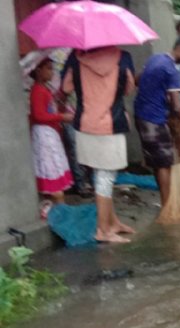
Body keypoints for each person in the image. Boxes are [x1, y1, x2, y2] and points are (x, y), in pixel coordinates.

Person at [62, 46, 137, 243]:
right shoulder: (123, 57)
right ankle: (103, 230)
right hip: (111, 123)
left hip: (85, 124)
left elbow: (66, 88)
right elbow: (129, 88)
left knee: (101, 175)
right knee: (106, 177)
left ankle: (112, 222)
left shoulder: (75, 57)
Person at [134, 35, 180, 208]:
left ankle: (165, 203)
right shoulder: (171, 70)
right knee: (165, 164)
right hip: (155, 119)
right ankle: (168, 207)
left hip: (141, 117)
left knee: (157, 164)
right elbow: (178, 107)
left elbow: (137, 80)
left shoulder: (155, 59)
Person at [28, 58, 74, 207]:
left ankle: (59, 207)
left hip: (50, 133)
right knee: (52, 169)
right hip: (44, 135)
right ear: (38, 70)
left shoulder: (44, 89)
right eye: (48, 68)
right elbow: (39, 115)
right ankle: (61, 208)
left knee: (54, 168)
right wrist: (61, 116)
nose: (52, 72)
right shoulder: (37, 91)